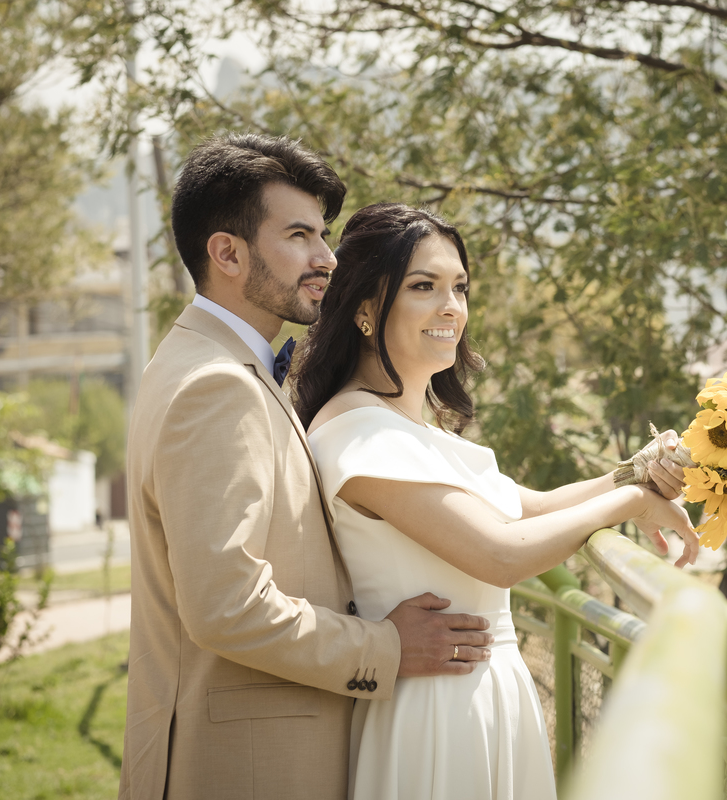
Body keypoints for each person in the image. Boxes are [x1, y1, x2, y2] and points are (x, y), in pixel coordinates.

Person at [121, 135, 494, 800]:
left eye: (323, 235)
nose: (327, 259)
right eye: (299, 236)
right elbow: (226, 606)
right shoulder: (217, 386)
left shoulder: (201, 364)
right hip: (246, 767)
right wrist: (385, 649)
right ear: (227, 253)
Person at [294, 202, 700, 800]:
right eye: (423, 286)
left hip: (481, 693)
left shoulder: (411, 427)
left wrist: (638, 474)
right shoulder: (358, 431)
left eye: (459, 287)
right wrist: (632, 503)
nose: (451, 307)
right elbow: (501, 553)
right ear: (364, 308)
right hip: (435, 707)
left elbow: (526, 508)